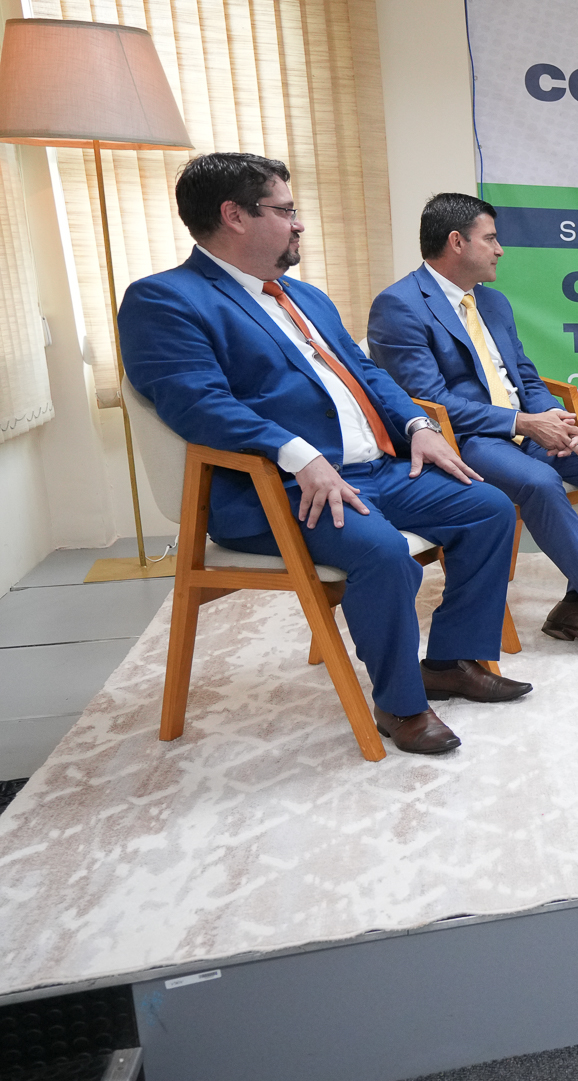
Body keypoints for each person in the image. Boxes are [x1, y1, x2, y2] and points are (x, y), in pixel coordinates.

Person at [119, 153, 526, 756]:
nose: (299, 223)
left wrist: (416, 423)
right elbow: (195, 404)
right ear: (234, 215)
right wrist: (296, 453)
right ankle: (401, 703)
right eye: (285, 211)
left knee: (489, 508)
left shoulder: (305, 297)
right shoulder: (164, 300)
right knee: (385, 552)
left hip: (373, 470)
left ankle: (449, 660)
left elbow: (366, 372)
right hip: (277, 489)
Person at [369, 193, 578, 649]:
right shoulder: (400, 305)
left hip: (523, 426)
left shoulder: (492, 303)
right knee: (541, 482)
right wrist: (523, 423)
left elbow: (524, 374)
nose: (500, 249)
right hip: (465, 439)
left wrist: (546, 414)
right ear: (456, 242)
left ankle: (576, 606)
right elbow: (429, 401)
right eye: (490, 238)